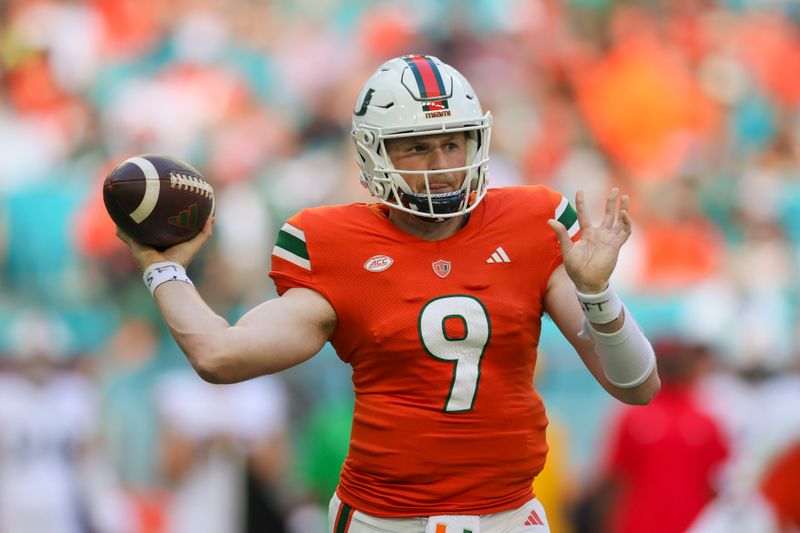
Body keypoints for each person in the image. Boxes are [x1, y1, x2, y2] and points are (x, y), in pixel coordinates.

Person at [117, 54, 660, 533]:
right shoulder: (336, 246)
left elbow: (637, 385)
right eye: (417, 148)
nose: (442, 165)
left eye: (453, 142)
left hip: (509, 517)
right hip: (386, 521)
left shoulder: (532, 223)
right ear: (375, 154)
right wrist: (164, 271)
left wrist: (597, 293)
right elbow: (220, 356)